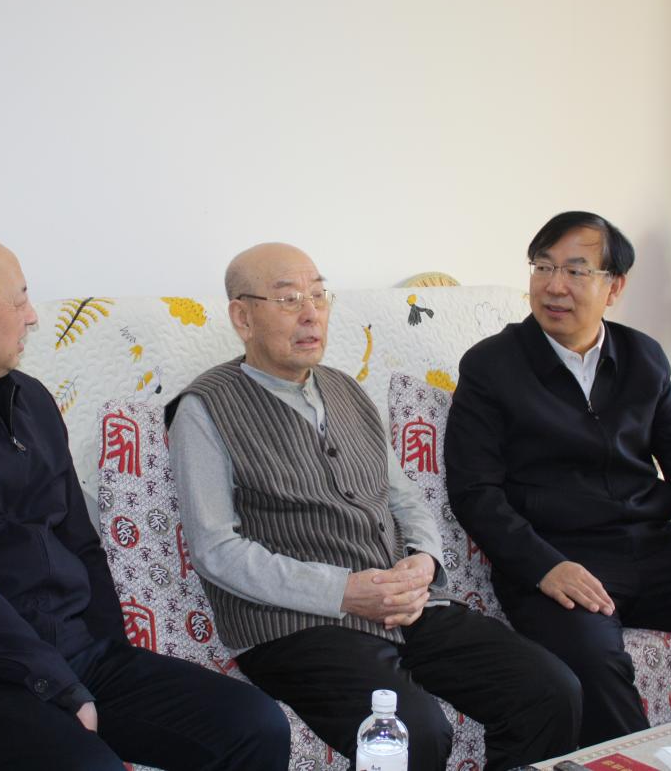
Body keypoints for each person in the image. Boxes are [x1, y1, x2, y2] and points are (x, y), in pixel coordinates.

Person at [0, 233, 289, 771]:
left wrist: (110, 658)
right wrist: (57, 685)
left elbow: (79, 543)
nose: (32, 317)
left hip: (71, 654)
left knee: (254, 724)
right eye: (19, 300)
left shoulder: (31, 399)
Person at [167, 242, 581, 771]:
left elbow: (403, 496)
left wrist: (424, 561)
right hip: (295, 627)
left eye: (319, 295)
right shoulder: (204, 408)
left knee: (550, 690)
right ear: (242, 317)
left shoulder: (347, 390)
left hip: (403, 608)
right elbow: (216, 550)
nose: (311, 313)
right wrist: (342, 591)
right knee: (411, 734)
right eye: (289, 299)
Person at [445, 212, 671, 746]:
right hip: (560, 560)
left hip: (653, 553)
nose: (554, 286)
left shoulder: (642, 357)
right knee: (591, 665)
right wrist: (544, 567)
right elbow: (475, 492)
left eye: (576, 271)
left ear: (614, 287)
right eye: (543, 267)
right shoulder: (491, 366)